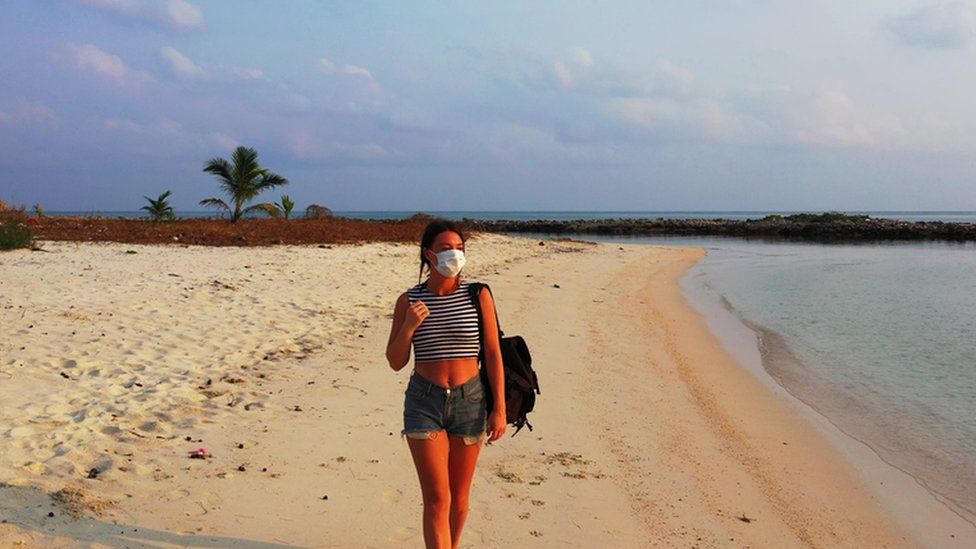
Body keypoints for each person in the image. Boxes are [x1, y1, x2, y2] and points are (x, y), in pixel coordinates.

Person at [386, 218, 506, 549]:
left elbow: (493, 354)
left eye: (459, 248)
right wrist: (409, 326)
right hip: (424, 401)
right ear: (428, 254)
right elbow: (395, 361)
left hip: (471, 401)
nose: (454, 254)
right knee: (438, 499)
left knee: (459, 497)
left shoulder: (478, 295)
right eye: (445, 248)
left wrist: (500, 408)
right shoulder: (408, 300)